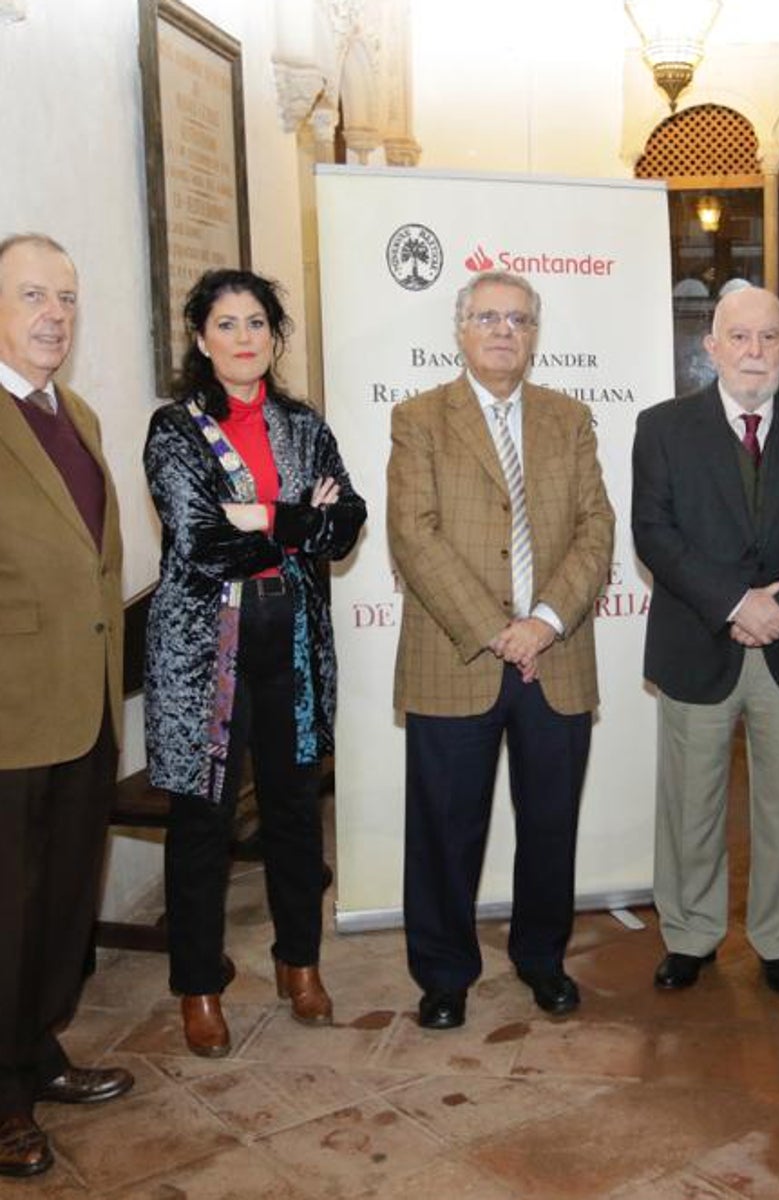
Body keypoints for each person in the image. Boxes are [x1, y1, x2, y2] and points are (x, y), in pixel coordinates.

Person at [143, 268, 365, 1058]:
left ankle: (298, 964)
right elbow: (203, 544)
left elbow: (350, 523)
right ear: (202, 340)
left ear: (276, 335)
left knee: (297, 812)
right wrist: (305, 520)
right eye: (227, 325)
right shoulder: (174, 431)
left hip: (293, 645)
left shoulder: (303, 426)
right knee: (202, 822)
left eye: (258, 323)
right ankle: (199, 986)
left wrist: (271, 516)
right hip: (206, 655)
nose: (245, 338)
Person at [388, 270, 614, 1030]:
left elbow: (597, 530)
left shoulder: (569, 418)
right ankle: (445, 974)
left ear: (534, 334)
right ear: (460, 329)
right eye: (487, 318)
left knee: (551, 823)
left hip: (557, 655)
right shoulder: (419, 419)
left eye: (518, 320)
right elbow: (413, 536)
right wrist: (497, 627)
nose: (503, 332)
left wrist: (544, 620)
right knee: (446, 828)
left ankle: (543, 959)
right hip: (459, 657)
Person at [632, 286, 779, 995]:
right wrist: (734, 604)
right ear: (712, 348)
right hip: (700, 641)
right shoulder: (663, 426)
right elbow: (654, 533)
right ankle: (691, 934)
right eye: (740, 337)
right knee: (690, 803)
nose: (755, 351)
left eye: (769, 337)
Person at [0, 233, 132, 1178]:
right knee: (6, 914)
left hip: (83, 710)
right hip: (9, 716)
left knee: (59, 908)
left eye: (69, 300)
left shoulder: (74, 413)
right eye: (33, 296)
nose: (55, 316)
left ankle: (37, 1053)